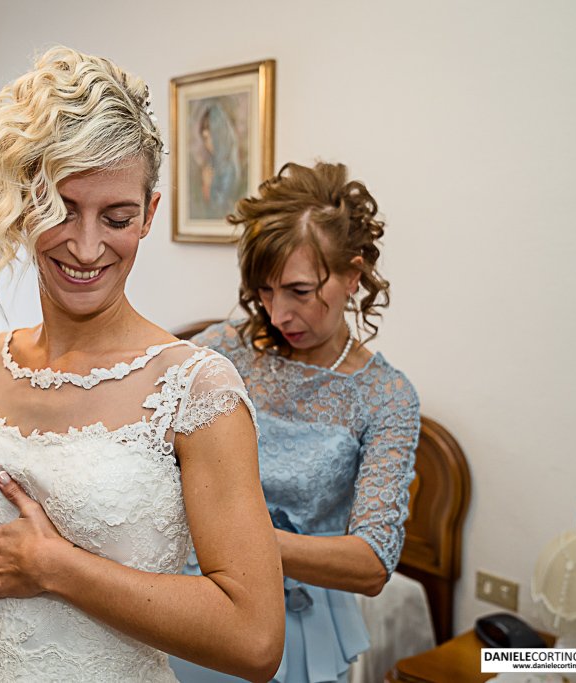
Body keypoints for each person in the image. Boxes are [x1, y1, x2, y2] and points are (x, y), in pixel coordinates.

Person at [0, 47, 284, 683]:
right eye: (60, 211)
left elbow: (254, 641)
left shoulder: (197, 390)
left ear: (149, 215)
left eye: (117, 218)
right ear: (24, 205)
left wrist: (56, 566)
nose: (86, 247)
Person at [169, 161, 421, 683]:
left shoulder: (386, 398)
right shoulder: (222, 350)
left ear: (353, 275)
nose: (279, 313)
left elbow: (372, 564)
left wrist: (232, 535)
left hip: (296, 619)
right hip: (192, 593)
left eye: (299, 291)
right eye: (265, 291)